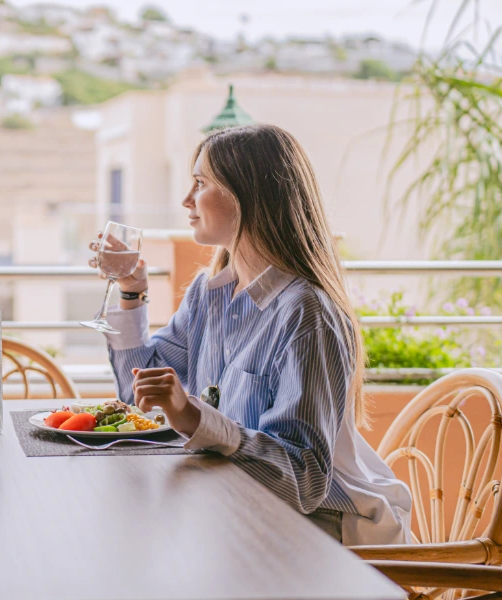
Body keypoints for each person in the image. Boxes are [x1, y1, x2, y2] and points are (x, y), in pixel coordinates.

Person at [96, 123, 412, 545]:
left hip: (322, 535)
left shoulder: (306, 313)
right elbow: (140, 391)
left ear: (250, 196)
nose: (186, 200)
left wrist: (194, 417)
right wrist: (132, 292)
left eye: (201, 183)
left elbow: (304, 481)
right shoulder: (209, 295)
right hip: (236, 509)